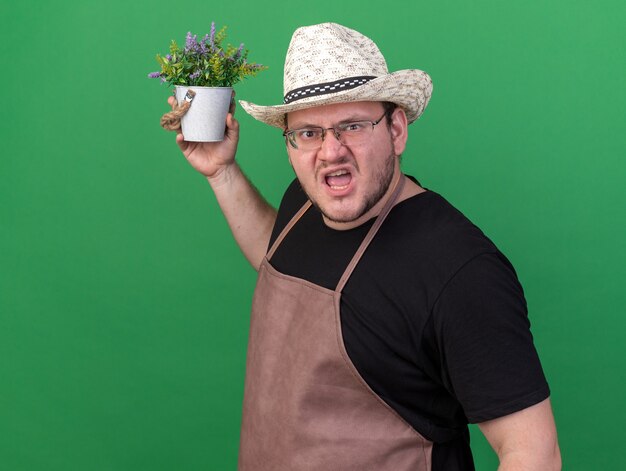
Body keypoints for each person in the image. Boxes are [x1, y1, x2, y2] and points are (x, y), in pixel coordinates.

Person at [166, 22, 561, 471]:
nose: (330, 152)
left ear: (396, 130)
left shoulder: (459, 270)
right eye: (309, 132)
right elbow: (281, 263)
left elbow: (534, 453)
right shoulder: (306, 201)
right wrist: (223, 173)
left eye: (351, 126)